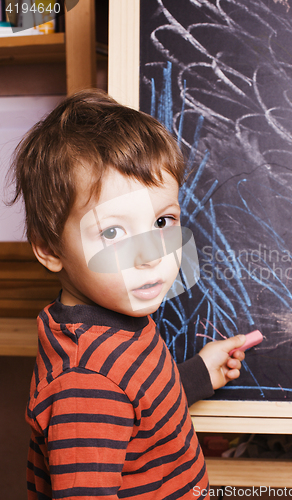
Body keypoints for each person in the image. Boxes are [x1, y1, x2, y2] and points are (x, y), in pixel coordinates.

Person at [9, 89, 246, 500]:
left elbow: (139, 405)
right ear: (50, 248)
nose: (150, 254)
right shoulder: (84, 386)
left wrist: (200, 373)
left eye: (161, 221)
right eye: (114, 232)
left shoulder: (114, 320)